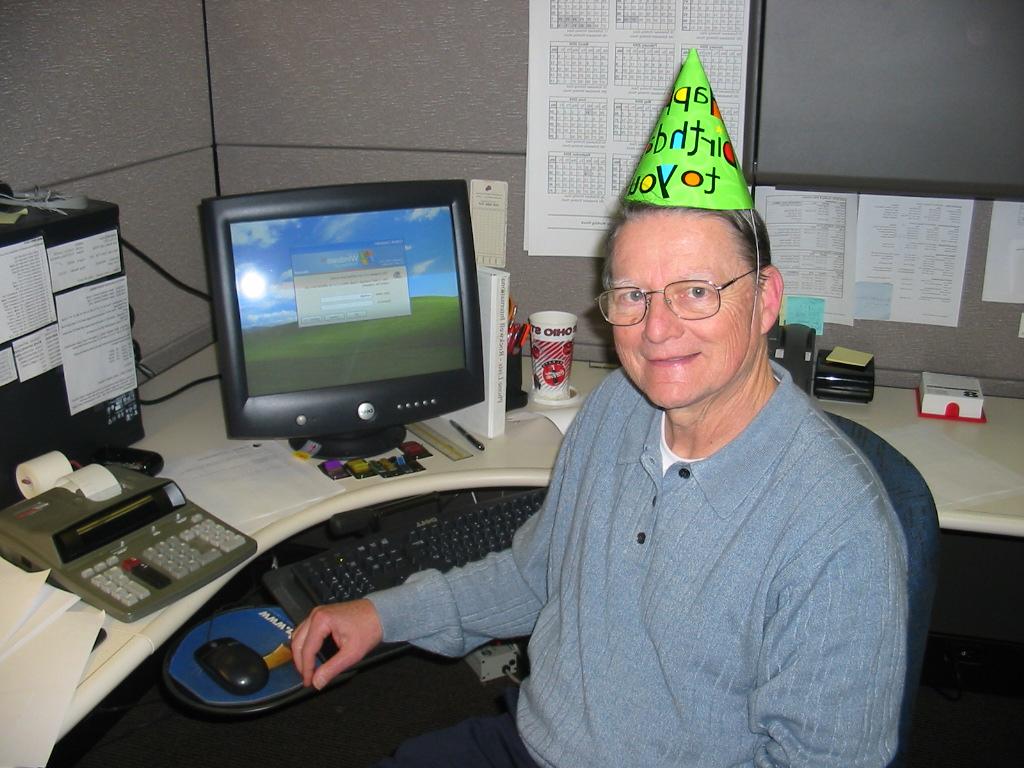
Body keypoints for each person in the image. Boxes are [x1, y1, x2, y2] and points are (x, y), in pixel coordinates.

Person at [291, 51, 908, 767]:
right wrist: (385, 612)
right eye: (632, 295)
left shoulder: (837, 532)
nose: (657, 328)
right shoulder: (619, 404)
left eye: (695, 290)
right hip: (531, 742)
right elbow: (540, 573)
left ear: (766, 299)